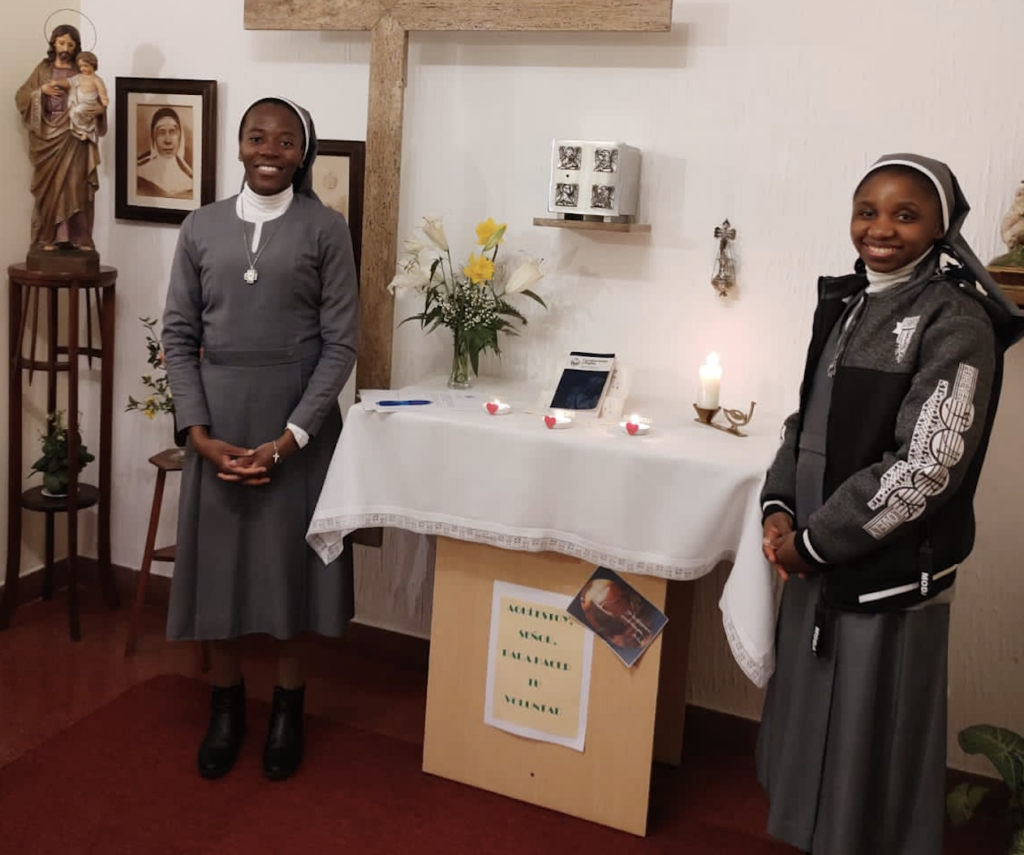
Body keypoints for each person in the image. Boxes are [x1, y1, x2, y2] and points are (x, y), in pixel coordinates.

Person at [756, 153, 1024, 855]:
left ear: (941, 227)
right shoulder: (846, 301)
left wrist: (815, 543)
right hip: (812, 553)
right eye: (867, 211)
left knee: (870, 744)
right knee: (809, 719)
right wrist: (779, 507)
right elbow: (805, 420)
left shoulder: (955, 319)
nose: (881, 229)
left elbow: (927, 465)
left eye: (906, 214)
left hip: (886, 568)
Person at [161, 97, 360, 782]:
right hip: (217, 424)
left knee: (287, 572)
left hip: (294, 425)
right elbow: (178, 335)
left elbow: (341, 343)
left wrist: (290, 438)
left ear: (303, 153)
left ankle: (286, 709)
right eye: (256, 137)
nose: (268, 150)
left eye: (284, 140)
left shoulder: (325, 228)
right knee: (218, 567)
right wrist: (197, 432)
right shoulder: (200, 226)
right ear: (240, 145)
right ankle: (225, 707)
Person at [15, 24, 105, 251]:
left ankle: (79, 237)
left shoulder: (81, 71)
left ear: (77, 47)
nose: (65, 48)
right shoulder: (43, 69)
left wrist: (100, 111)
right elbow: (21, 96)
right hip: (48, 135)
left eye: (71, 45)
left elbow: (97, 98)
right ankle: (49, 237)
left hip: (75, 132)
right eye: (62, 43)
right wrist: (40, 92)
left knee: (76, 184)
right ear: (54, 43)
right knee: (51, 188)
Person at [136, 107, 194, 199]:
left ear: (180, 136)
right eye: (161, 132)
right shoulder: (139, 175)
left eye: (173, 132)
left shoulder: (191, 182)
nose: (168, 140)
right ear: (153, 137)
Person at [55, 51, 108, 146]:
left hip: (89, 103)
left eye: (86, 66)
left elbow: (102, 93)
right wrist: (56, 83)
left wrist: (103, 105)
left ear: (93, 65)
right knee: (73, 112)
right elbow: (69, 82)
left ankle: (87, 132)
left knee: (78, 110)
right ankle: (82, 131)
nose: (83, 68)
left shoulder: (96, 80)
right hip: (78, 102)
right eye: (80, 66)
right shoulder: (79, 77)